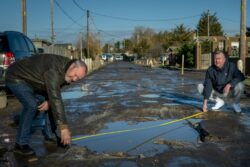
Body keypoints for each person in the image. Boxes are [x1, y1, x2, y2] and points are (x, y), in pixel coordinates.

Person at [5, 54, 88, 155]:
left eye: (78, 78)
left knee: (50, 103)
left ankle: (50, 136)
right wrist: (63, 128)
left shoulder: (67, 68)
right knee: (31, 106)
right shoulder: (55, 70)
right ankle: (20, 144)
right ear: (73, 67)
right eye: (75, 75)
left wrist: (48, 101)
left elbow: (54, 91)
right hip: (16, 77)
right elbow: (56, 98)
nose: (74, 79)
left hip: (35, 81)